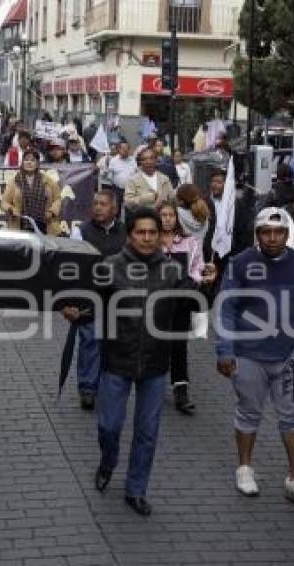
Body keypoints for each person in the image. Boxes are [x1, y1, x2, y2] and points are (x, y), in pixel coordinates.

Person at [92, 208, 216, 516]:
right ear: (130, 234)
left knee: (147, 432)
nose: (147, 238)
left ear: (160, 235)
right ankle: (108, 460)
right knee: (109, 426)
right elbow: (90, 303)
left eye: (152, 232)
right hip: (116, 360)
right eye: (140, 232)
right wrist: (74, 309)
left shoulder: (173, 270)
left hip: (156, 364)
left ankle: (136, 489)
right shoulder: (110, 267)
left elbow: (195, 300)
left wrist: (210, 284)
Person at [215, 207, 294, 508]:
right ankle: (245, 468)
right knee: (249, 412)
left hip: (290, 354)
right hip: (248, 354)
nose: (273, 238)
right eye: (266, 232)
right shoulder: (241, 263)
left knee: (292, 416)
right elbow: (226, 309)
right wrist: (225, 350)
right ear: (257, 234)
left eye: (279, 232)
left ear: (287, 235)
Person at [64, 190, 127, 410]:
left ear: (115, 208)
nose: (98, 207)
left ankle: (110, 386)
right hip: (89, 299)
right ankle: (88, 388)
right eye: (95, 203)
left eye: (103, 204)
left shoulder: (126, 232)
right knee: (90, 343)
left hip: (119, 300)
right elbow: (70, 270)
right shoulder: (81, 232)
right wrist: (68, 302)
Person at [157, 199, 205, 415]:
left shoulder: (189, 241)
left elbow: (198, 267)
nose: (167, 219)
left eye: (171, 215)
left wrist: (192, 282)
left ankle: (181, 388)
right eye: (163, 215)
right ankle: (154, 385)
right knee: (156, 343)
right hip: (156, 302)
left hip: (181, 300)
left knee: (178, 345)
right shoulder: (149, 240)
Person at [202, 167, 254, 291]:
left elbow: (245, 231)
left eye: (219, 182)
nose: (215, 185)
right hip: (209, 254)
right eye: (213, 181)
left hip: (230, 254)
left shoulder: (237, 205)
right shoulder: (203, 203)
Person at [1, 148, 62, 235]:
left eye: (32, 160)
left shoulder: (48, 181)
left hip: (45, 226)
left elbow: (58, 199)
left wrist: (52, 212)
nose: (29, 162)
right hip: (20, 226)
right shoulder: (14, 181)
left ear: (37, 164)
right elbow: (4, 202)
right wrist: (11, 209)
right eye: (26, 160)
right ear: (22, 163)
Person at [122, 148, 172, 218]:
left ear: (156, 160)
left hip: (162, 220)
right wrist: (147, 198)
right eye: (144, 159)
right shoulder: (132, 180)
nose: (148, 161)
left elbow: (171, 198)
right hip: (142, 220)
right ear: (140, 162)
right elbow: (128, 202)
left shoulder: (164, 179)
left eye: (151, 158)